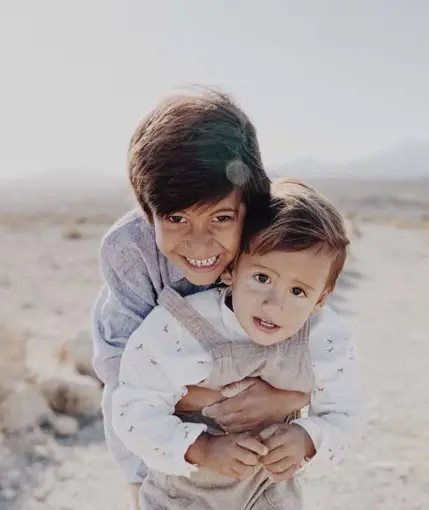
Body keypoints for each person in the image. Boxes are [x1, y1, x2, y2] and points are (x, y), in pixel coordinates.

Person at [92, 91, 311, 509]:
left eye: (221, 217)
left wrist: (290, 398)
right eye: (175, 218)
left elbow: (317, 344)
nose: (198, 242)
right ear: (147, 210)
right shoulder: (130, 250)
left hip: (260, 446)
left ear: (249, 204)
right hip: (158, 446)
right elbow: (119, 367)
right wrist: (222, 402)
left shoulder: (275, 238)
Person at [112, 178, 362, 509]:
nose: (275, 305)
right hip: (182, 495)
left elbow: (346, 414)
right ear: (231, 270)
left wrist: (307, 439)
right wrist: (202, 448)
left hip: (269, 494)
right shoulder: (182, 326)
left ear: (320, 299)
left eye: (298, 291)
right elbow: (133, 409)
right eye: (262, 278)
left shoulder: (323, 338)